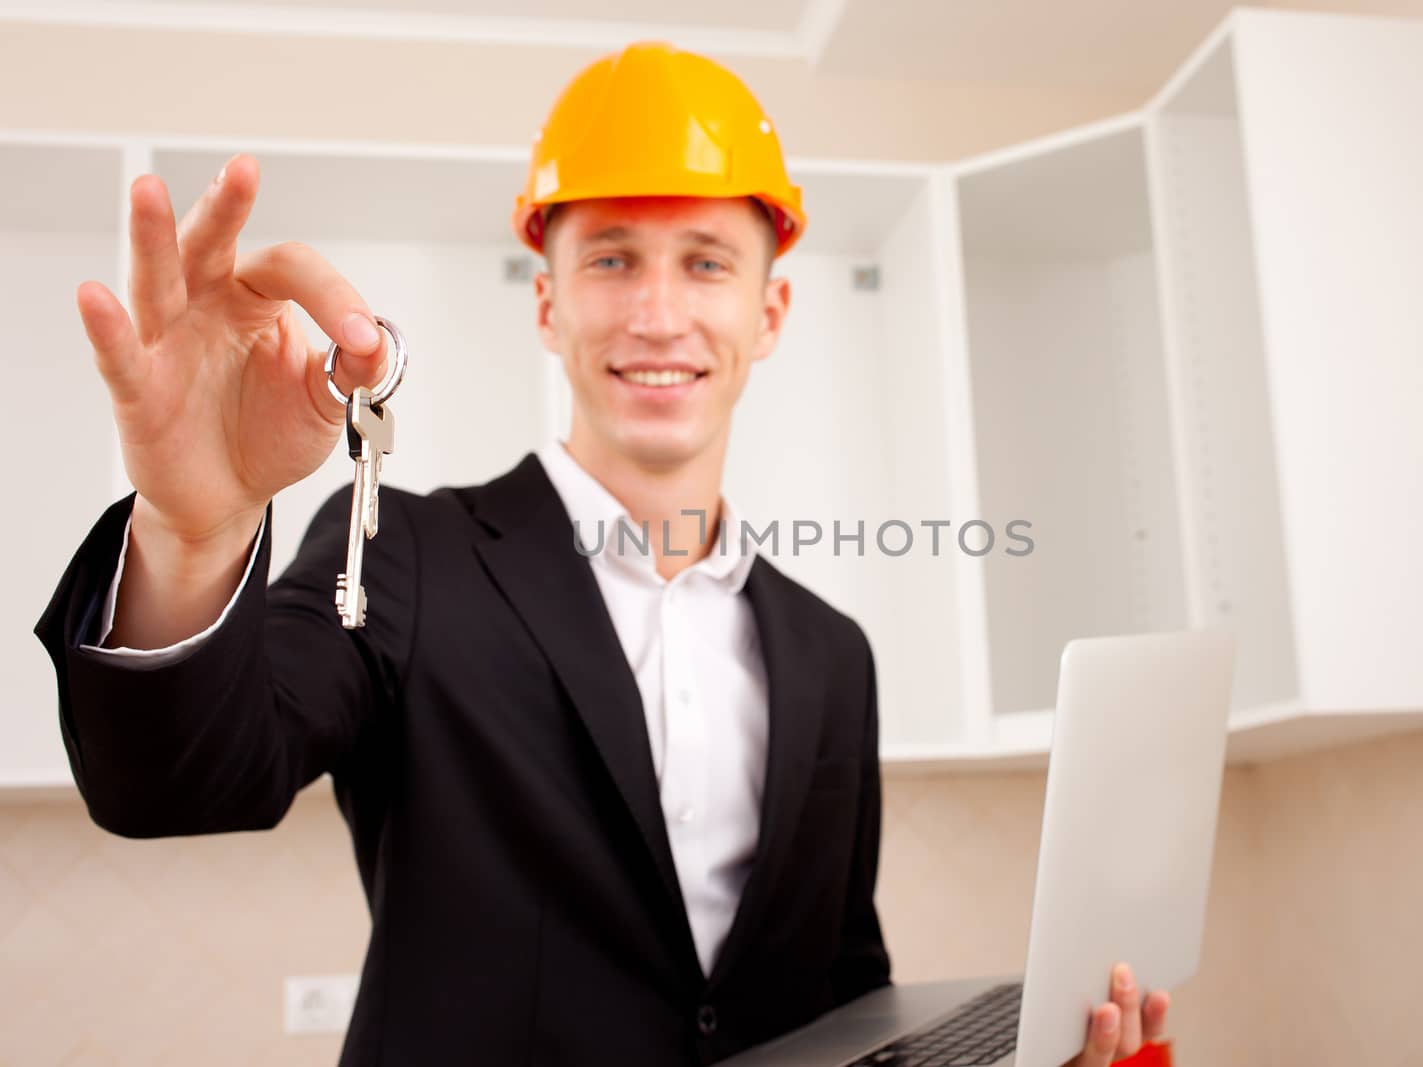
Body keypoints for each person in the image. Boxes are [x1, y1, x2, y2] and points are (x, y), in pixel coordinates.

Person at [35, 41, 1174, 1067]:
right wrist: (194, 527)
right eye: (613, 260)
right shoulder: (406, 554)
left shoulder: (833, 654)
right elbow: (176, 783)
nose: (658, 314)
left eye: (708, 264)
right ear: (547, 304)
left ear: (771, 313)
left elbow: (842, 991)